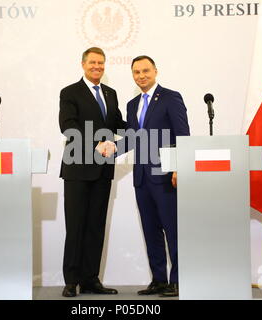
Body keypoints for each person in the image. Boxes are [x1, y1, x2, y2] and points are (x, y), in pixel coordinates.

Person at [59, 47, 125, 297]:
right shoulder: (69, 92)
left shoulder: (110, 93)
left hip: (103, 170)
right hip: (77, 169)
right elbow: (68, 126)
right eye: (93, 63)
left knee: (96, 227)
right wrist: (95, 143)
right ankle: (71, 281)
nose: (97, 66)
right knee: (76, 226)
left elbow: (118, 124)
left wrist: (144, 129)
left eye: (101, 63)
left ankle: (90, 280)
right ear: (83, 64)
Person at [122, 55, 190, 297]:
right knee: (151, 231)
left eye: (145, 71)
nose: (141, 75)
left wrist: (179, 167)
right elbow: (131, 138)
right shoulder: (132, 104)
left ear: (155, 71)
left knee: (173, 229)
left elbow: (183, 135)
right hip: (141, 177)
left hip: (165, 176)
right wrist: (111, 149)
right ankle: (159, 280)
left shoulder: (171, 97)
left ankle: (179, 281)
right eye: (136, 72)